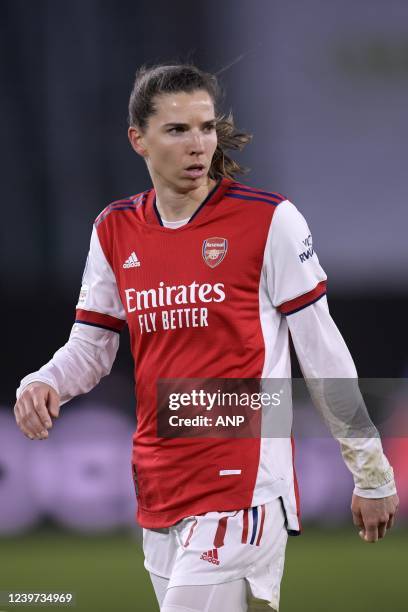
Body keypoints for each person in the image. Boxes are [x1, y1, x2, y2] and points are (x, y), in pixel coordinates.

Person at [14, 63, 398, 612]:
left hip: (244, 481)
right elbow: (92, 344)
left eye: (207, 127)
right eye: (177, 130)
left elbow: (322, 350)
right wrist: (46, 379)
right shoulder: (115, 228)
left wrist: (371, 470)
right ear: (138, 140)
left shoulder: (269, 222)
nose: (199, 144)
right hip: (160, 477)